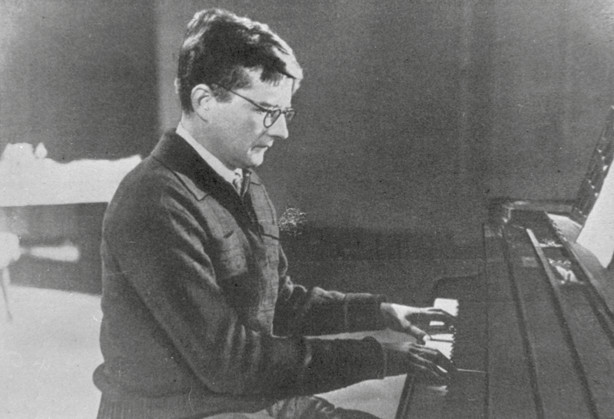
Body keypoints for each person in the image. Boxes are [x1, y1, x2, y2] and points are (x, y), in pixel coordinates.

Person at [93, 8, 455, 419]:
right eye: (267, 111)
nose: (281, 131)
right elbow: (232, 362)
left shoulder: (240, 177)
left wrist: (381, 312)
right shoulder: (154, 200)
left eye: (285, 113)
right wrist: (379, 356)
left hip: (247, 400)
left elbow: (276, 302)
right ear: (205, 101)